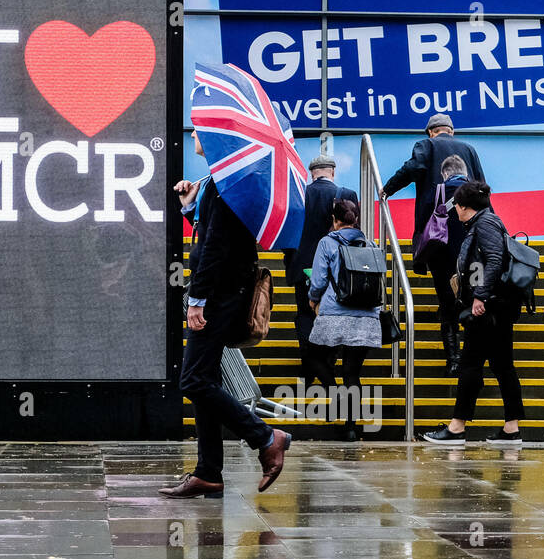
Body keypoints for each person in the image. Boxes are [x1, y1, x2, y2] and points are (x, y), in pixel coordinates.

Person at [159, 131, 291, 498]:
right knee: (205, 381)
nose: (194, 134)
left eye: (200, 130)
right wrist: (190, 207)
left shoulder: (227, 183)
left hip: (218, 297)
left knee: (193, 381)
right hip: (223, 292)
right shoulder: (222, 182)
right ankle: (208, 472)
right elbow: (212, 237)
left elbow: (216, 247)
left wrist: (198, 298)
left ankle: (266, 437)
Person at [422, 181, 524, 446]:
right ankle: (511, 429)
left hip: (488, 310)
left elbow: (494, 258)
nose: (454, 209)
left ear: (465, 206)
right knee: (502, 367)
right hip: (497, 308)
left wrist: (480, 296)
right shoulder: (485, 221)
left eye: (456, 204)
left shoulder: (485, 223)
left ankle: (457, 428)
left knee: (470, 365)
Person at [306, 198, 382, 441]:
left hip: (335, 312)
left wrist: (312, 299)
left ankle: (336, 394)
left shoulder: (327, 242)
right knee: (352, 371)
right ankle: (350, 428)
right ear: (356, 219)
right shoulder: (370, 244)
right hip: (367, 315)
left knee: (313, 357)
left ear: (334, 220)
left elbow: (318, 281)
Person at [282, 152, 357, 391]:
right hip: (337, 270)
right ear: (332, 172)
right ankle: (327, 361)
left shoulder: (298, 194)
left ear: (311, 174)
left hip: (303, 265)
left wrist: (290, 260)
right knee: (334, 316)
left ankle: (308, 366)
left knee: (305, 315)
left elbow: (288, 233)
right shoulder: (346, 195)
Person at [381, 113, 484, 247]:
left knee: (438, 258)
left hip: (435, 218)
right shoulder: (469, 149)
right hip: (467, 216)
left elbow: (411, 169)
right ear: (451, 131)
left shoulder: (426, 145)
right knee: (465, 257)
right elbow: (481, 184)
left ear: (430, 132)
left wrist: (387, 189)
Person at [426, 154, 470, 374]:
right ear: (464, 171)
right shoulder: (476, 192)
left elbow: (424, 226)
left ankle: (453, 359)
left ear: (445, 174)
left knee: (447, 309)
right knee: (472, 306)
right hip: (470, 261)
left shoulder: (437, 193)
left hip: (441, 260)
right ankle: (472, 358)